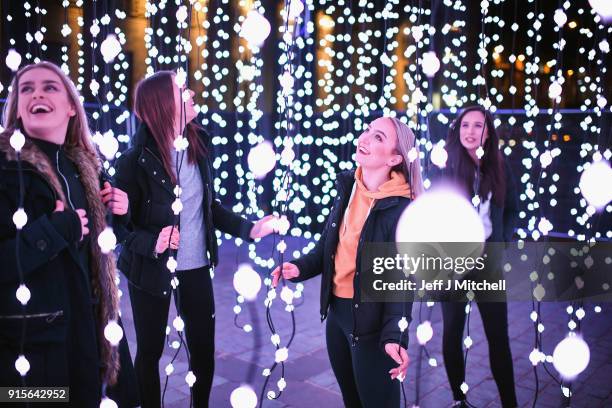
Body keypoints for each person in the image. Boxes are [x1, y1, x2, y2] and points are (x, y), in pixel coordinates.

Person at [114, 70, 278, 408]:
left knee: (203, 352)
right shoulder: (134, 162)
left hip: (196, 267)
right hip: (150, 271)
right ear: (162, 106)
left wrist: (251, 229)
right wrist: (152, 242)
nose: (190, 93)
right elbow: (118, 228)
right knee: (150, 352)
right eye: (181, 90)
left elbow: (208, 207)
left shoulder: (198, 146)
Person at [0, 61, 137, 407]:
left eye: (49, 87)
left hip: (87, 335)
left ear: (71, 108)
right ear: (15, 108)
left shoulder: (84, 168)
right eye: (26, 89)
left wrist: (117, 215)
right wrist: (53, 232)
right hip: (32, 350)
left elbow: (93, 251)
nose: (37, 94)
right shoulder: (5, 169)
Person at [272, 117, 423, 408]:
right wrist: (300, 267)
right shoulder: (349, 187)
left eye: (378, 137)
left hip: (372, 328)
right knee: (352, 401)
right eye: (367, 130)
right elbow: (329, 246)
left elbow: (401, 284)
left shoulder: (401, 210)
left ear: (395, 158)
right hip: (337, 317)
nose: (365, 138)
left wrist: (394, 337)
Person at [438, 105, 518, 408]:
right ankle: (460, 400)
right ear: (458, 131)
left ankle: (510, 402)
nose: (471, 131)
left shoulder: (499, 165)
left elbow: (512, 208)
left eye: (478, 126)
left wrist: (503, 241)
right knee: (452, 333)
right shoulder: (445, 167)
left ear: (488, 133)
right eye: (465, 125)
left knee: (499, 337)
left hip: (489, 264)